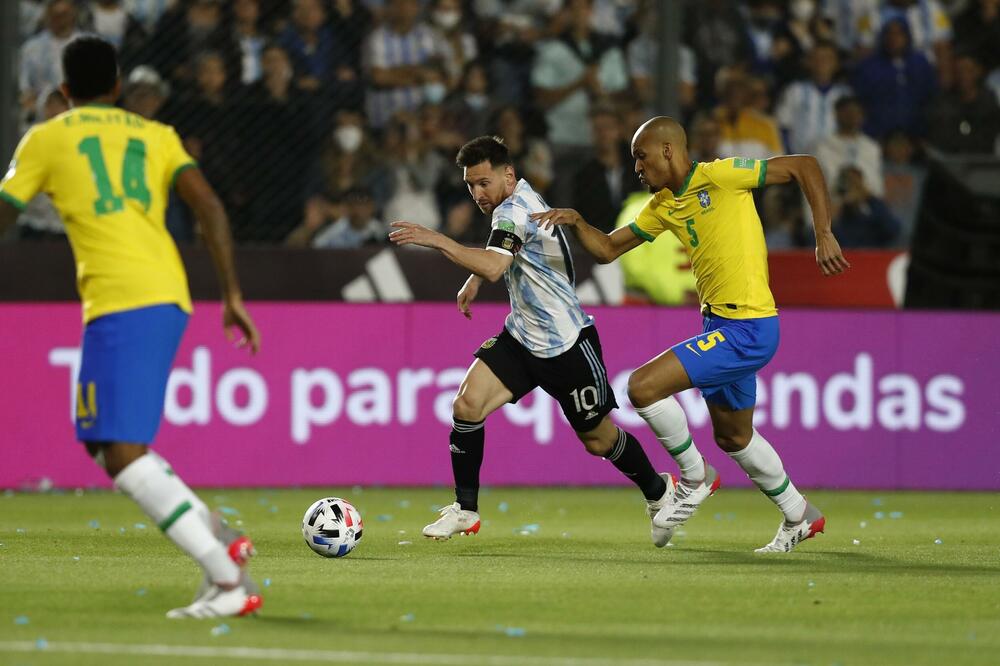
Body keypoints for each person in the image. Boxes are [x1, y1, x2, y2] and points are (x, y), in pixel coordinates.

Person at [0, 37, 263, 616]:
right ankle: (218, 537)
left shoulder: (46, 137)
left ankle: (226, 580)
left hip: (123, 298)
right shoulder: (157, 135)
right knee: (105, 441)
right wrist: (232, 294)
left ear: (64, 91)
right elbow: (211, 208)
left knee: (118, 450)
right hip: (166, 293)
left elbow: (7, 210)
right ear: (118, 88)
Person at [531, 117, 851, 552]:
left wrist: (824, 232)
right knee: (734, 436)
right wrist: (576, 221)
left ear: (668, 150)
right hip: (720, 324)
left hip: (748, 326)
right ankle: (800, 514)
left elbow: (805, 166)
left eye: (641, 157)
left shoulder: (720, 176)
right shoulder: (663, 205)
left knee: (641, 387)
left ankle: (695, 475)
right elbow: (607, 249)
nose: (637, 169)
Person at [389, 136, 676, 547]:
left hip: (567, 344)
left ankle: (659, 491)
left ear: (508, 175)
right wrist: (474, 277)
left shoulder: (514, 209)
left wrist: (438, 241)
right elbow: (507, 255)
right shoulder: (520, 198)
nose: (477, 194)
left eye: (484, 183)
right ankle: (466, 509)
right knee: (467, 405)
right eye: (471, 186)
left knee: (598, 439)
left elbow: (495, 264)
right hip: (523, 337)